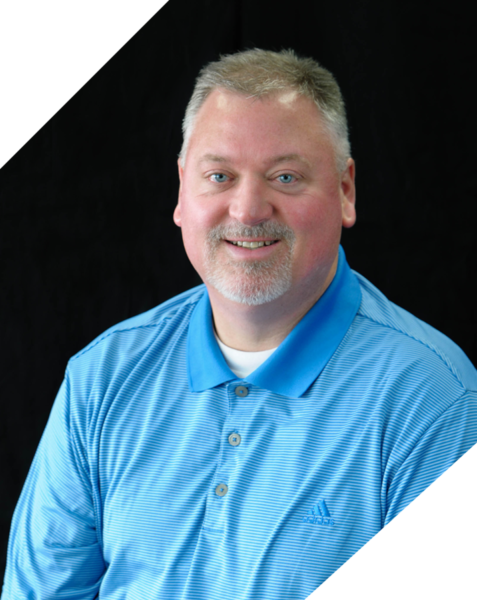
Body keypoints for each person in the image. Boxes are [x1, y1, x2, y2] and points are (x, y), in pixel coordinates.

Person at [2, 48, 476, 600]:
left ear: (345, 190)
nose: (248, 209)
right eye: (220, 175)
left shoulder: (438, 400)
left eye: (285, 176)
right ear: (183, 190)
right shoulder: (101, 378)